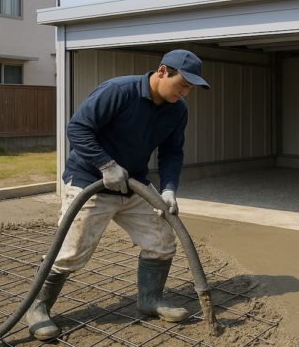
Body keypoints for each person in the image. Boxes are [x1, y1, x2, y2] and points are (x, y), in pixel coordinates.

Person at [26, 49, 210, 341]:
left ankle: (149, 299)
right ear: (163, 71)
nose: (185, 93)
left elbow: (172, 151)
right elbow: (78, 128)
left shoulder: (177, 110)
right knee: (71, 251)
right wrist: (106, 164)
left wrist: (169, 188)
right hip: (90, 180)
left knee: (162, 238)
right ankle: (38, 308)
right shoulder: (119, 91)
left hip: (134, 182)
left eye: (190, 88)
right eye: (183, 84)